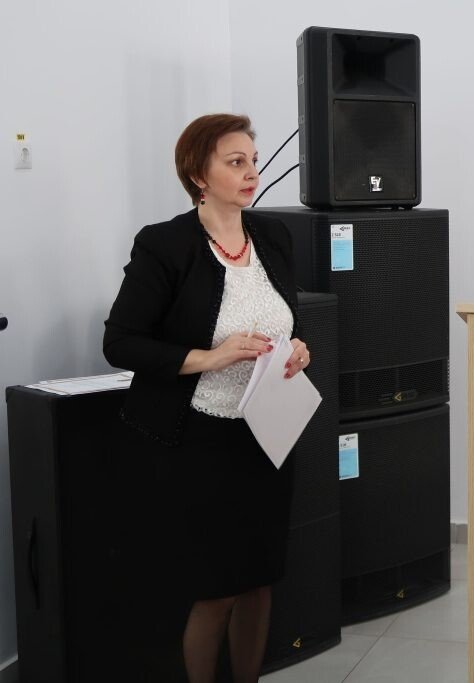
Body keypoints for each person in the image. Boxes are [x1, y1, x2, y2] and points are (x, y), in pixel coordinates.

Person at [104, 113, 309, 682]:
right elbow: (120, 343)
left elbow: (286, 320)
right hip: (198, 440)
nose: (252, 173)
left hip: (266, 435)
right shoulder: (165, 244)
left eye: (253, 160)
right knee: (216, 589)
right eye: (235, 162)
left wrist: (298, 349)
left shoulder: (273, 236)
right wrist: (211, 357)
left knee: (259, 582)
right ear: (198, 174)